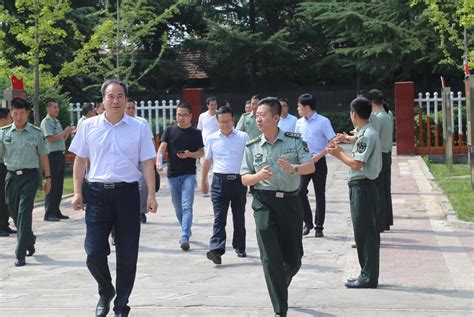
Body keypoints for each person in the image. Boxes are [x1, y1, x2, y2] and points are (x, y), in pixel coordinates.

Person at [69, 79, 157, 317]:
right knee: (93, 252)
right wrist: (78, 192)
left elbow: (148, 162)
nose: (116, 101)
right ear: (103, 100)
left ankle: (121, 305)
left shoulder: (139, 126)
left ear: (126, 100)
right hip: (97, 195)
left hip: (128, 194)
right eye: (111, 96)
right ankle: (106, 290)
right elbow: (80, 161)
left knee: (127, 254)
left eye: (120, 96)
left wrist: (151, 194)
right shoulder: (89, 126)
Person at [241, 97, 315, 317]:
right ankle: (280, 310)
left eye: (263, 115)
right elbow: (244, 178)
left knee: (294, 258)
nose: (258, 119)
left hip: (291, 202)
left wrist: (293, 168)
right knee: (270, 257)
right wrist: (258, 176)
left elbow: (310, 166)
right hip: (263, 202)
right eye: (256, 116)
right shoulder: (252, 146)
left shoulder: (294, 140)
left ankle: (282, 281)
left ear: (276, 117)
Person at [326, 96, 381, 289]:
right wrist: (346, 140)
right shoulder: (366, 132)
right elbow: (357, 140)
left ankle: (367, 277)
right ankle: (366, 273)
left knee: (364, 232)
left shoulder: (366, 135)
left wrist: (338, 153)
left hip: (363, 186)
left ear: (353, 114)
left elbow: (357, 164)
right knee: (366, 231)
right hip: (365, 186)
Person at [0, 98, 51, 267]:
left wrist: (48, 178)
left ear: (27, 113)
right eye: (15, 114)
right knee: (14, 213)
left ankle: (20, 253)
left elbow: (43, 156)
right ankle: (29, 239)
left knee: (24, 213)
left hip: (30, 177)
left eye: (22, 113)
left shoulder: (35, 133)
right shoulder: (4, 133)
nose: (19, 117)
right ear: (11, 114)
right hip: (11, 176)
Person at [202, 106, 249, 265]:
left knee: (239, 216)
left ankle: (240, 246)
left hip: (238, 180)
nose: (225, 125)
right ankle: (216, 250)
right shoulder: (211, 138)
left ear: (233, 120)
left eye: (228, 121)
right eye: (222, 122)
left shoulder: (243, 137)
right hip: (219, 182)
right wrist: (203, 181)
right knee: (219, 217)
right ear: (217, 122)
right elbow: (207, 160)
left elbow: (249, 159)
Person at [156, 102, 204, 251]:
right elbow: (162, 148)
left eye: (184, 115)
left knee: (186, 206)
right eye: (179, 114)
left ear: (190, 116)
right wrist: (158, 162)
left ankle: (184, 236)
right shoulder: (169, 131)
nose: (181, 118)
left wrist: (190, 154)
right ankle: (186, 228)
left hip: (189, 174)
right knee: (178, 208)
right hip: (172, 175)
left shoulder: (196, 133)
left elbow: (202, 152)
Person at [295, 93, 336, 237]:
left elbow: (333, 141)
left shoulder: (323, 121)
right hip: (304, 162)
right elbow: (296, 142)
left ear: (307, 107)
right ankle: (308, 222)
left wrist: (319, 156)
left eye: (299, 106)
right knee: (300, 192)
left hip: (319, 162)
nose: (298, 109)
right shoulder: (299, 123)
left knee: (320, 194)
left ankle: (319, 227)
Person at [40, 101, 76, 222]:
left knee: (59, 184)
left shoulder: (57, 121)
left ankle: (56, 210)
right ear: (48, 109)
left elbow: (61, 139)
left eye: (58, 107)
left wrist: (67, 133)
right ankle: (49, 212)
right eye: (54, 107)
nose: (57, 109)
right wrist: (64, 132)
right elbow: (50, 139)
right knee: (52, 184)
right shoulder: (46, 122)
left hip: (60, 154)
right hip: (51, 156)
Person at [125, 97, 154, 224]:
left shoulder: (142, 123)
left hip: (141, 160)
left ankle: (141, 210)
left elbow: (150, 139)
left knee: (143, 186)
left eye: (133, 108)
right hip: (128, 161)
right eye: (128, 108)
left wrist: (153, 158)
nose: (131, 110)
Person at [369, 89, 394, 232]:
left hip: (380, 155)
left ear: (372, 101)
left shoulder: (377, 117)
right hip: (388, 153)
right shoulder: (388, 114)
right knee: (385, 190)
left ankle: (379, 223)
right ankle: (386, 221)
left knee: (378, 190)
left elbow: (373, 137)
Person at [197, 97, 219, 196]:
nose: (213, 106)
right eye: (211, 104)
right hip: (205, 146)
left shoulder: (220, 115)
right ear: (207, 105)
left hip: (218, 145)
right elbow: (199, 130)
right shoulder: (202, 116)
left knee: (217, 167)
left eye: (215, 104)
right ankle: (204, 188)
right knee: (204, 167)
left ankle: (216, 186)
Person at [0, 108, 16, 237]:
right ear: (2, 120)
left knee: (6, 197)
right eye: (10, 118)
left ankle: (5, 224)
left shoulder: (7, 133)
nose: (12, 120)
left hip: (6, 166)